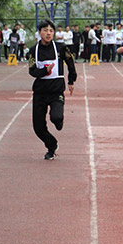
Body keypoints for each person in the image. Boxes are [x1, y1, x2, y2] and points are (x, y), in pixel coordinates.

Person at [28, 20, 77, 160]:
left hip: (56, 91)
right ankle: (51, 145)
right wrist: (45, 70)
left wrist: (71, 80)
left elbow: (70, 62)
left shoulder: (61, 48)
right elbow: (32, 71)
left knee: (56, 117)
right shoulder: (33, 51)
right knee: (38, 127)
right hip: (40, 92)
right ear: (39, 32)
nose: (48, 33)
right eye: (45, 30)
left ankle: (58, 120)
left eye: (51, 30)